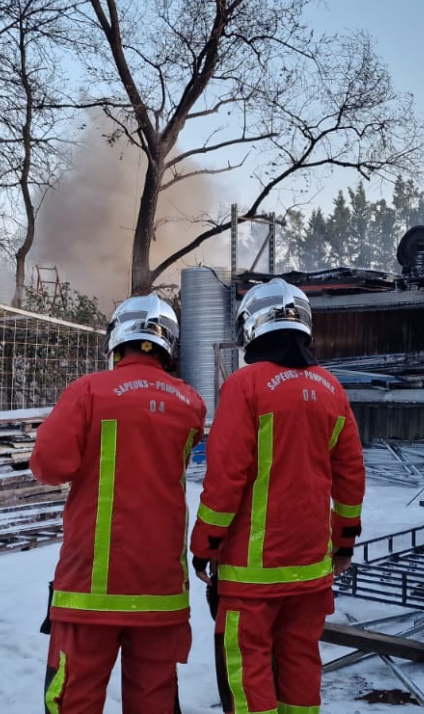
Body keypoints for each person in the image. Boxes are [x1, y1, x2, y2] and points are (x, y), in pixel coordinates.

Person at [189, 278, 365, 714]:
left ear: (251, 327)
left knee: (247, 677)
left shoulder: (245, 385)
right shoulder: (331, 390)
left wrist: (205, 544)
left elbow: (226, 476)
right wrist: (343, 543)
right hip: (310, 568)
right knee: (300, 665)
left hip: (251, 575)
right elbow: (351, 477)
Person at [31, 294, 206, 714]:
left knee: (74, 699)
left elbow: (49, 466)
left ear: (117, 339)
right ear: (169, 343)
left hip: (91, 590)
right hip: (161, 590)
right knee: (154, 702)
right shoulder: (190, 404)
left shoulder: (88, 391)